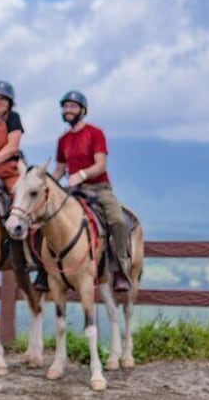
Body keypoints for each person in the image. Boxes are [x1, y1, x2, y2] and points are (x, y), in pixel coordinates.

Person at [51, 90, 131, 292]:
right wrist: (45, 182)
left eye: (72, 106)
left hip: (99, 188)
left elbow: (101, 164)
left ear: (82, 110)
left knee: (118, 222)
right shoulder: (63, 140)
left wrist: (82, 175)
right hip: (75, 190)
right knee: (49, 217)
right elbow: (60, 169)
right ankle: (47, 271)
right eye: (66, 106)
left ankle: (121, 269)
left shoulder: (95, 133)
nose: (68, 110)